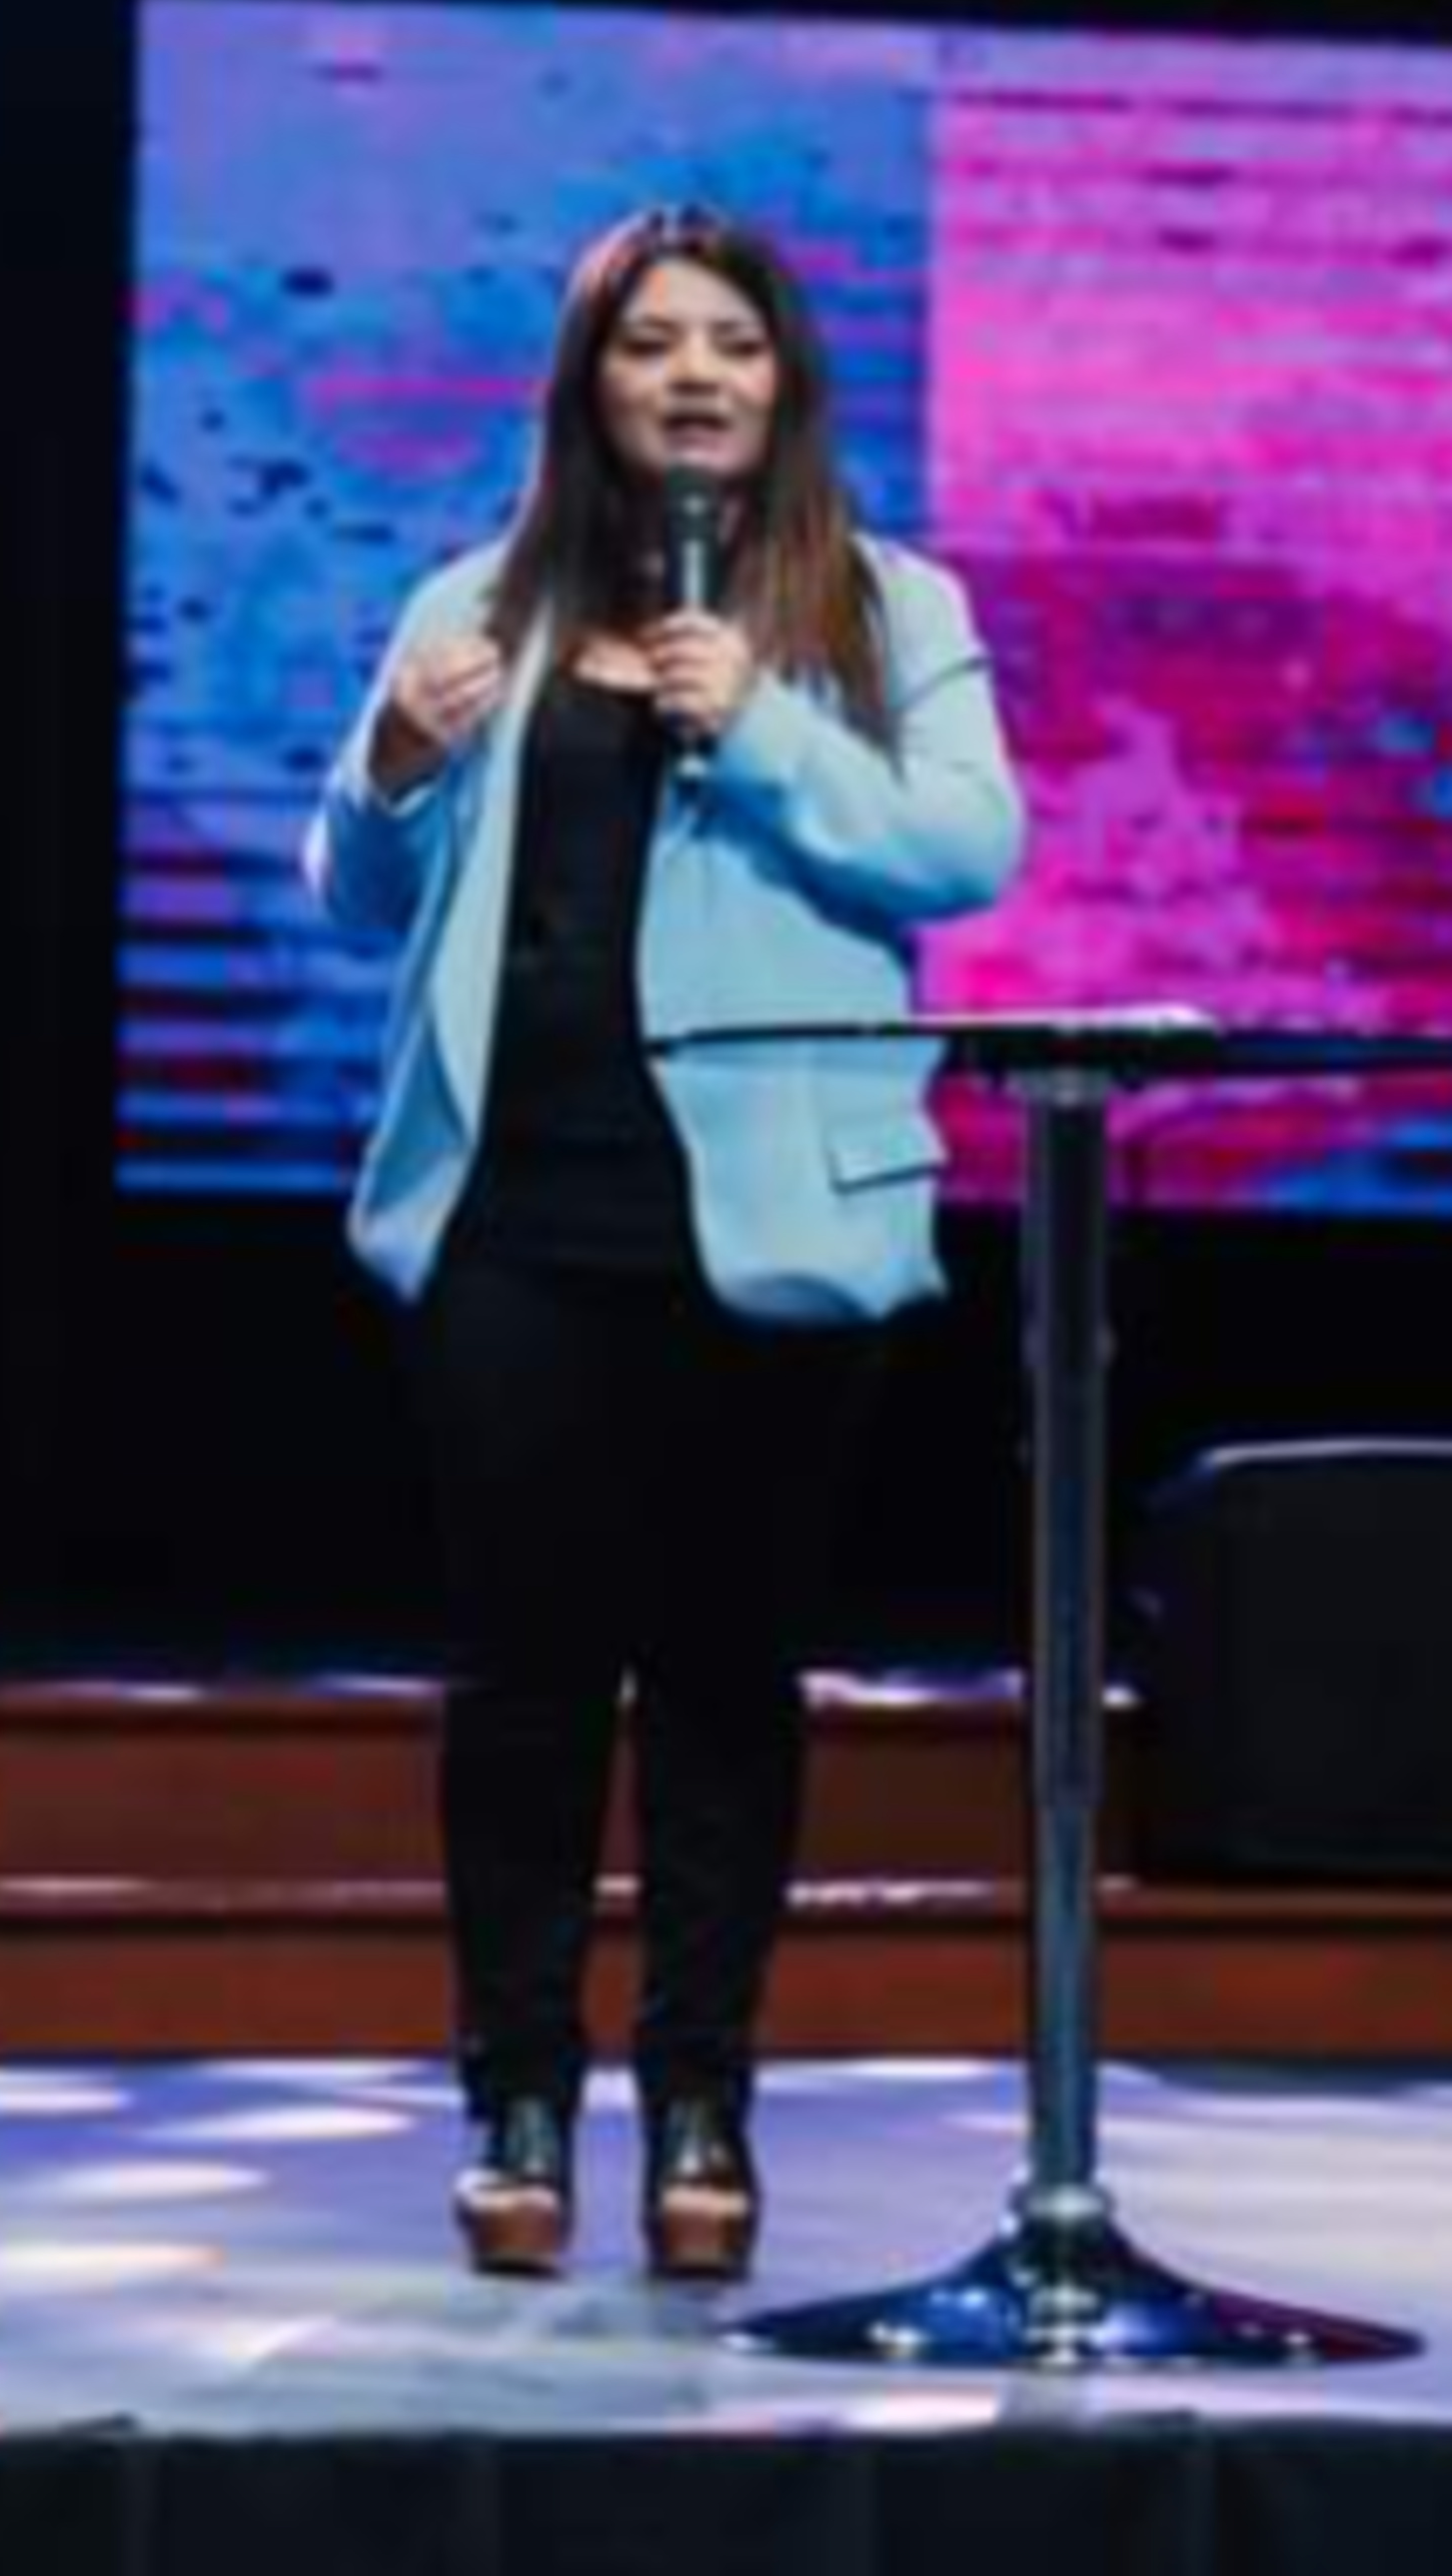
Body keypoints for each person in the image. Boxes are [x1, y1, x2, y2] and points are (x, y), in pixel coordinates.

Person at [303, 204, 1025, 2282]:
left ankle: (703, 2095)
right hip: (517, 1217)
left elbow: (968, 847)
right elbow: (356, 893)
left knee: (724, 1673)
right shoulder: (476, 600)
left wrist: (770, 728)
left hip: (766, 1226)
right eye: (651, 344)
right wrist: (390, 768)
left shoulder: (881, 605)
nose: (694, 376)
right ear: (589, 383)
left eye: (733, 344)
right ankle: (518, 2097)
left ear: (785, 383)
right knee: (524, 1678)